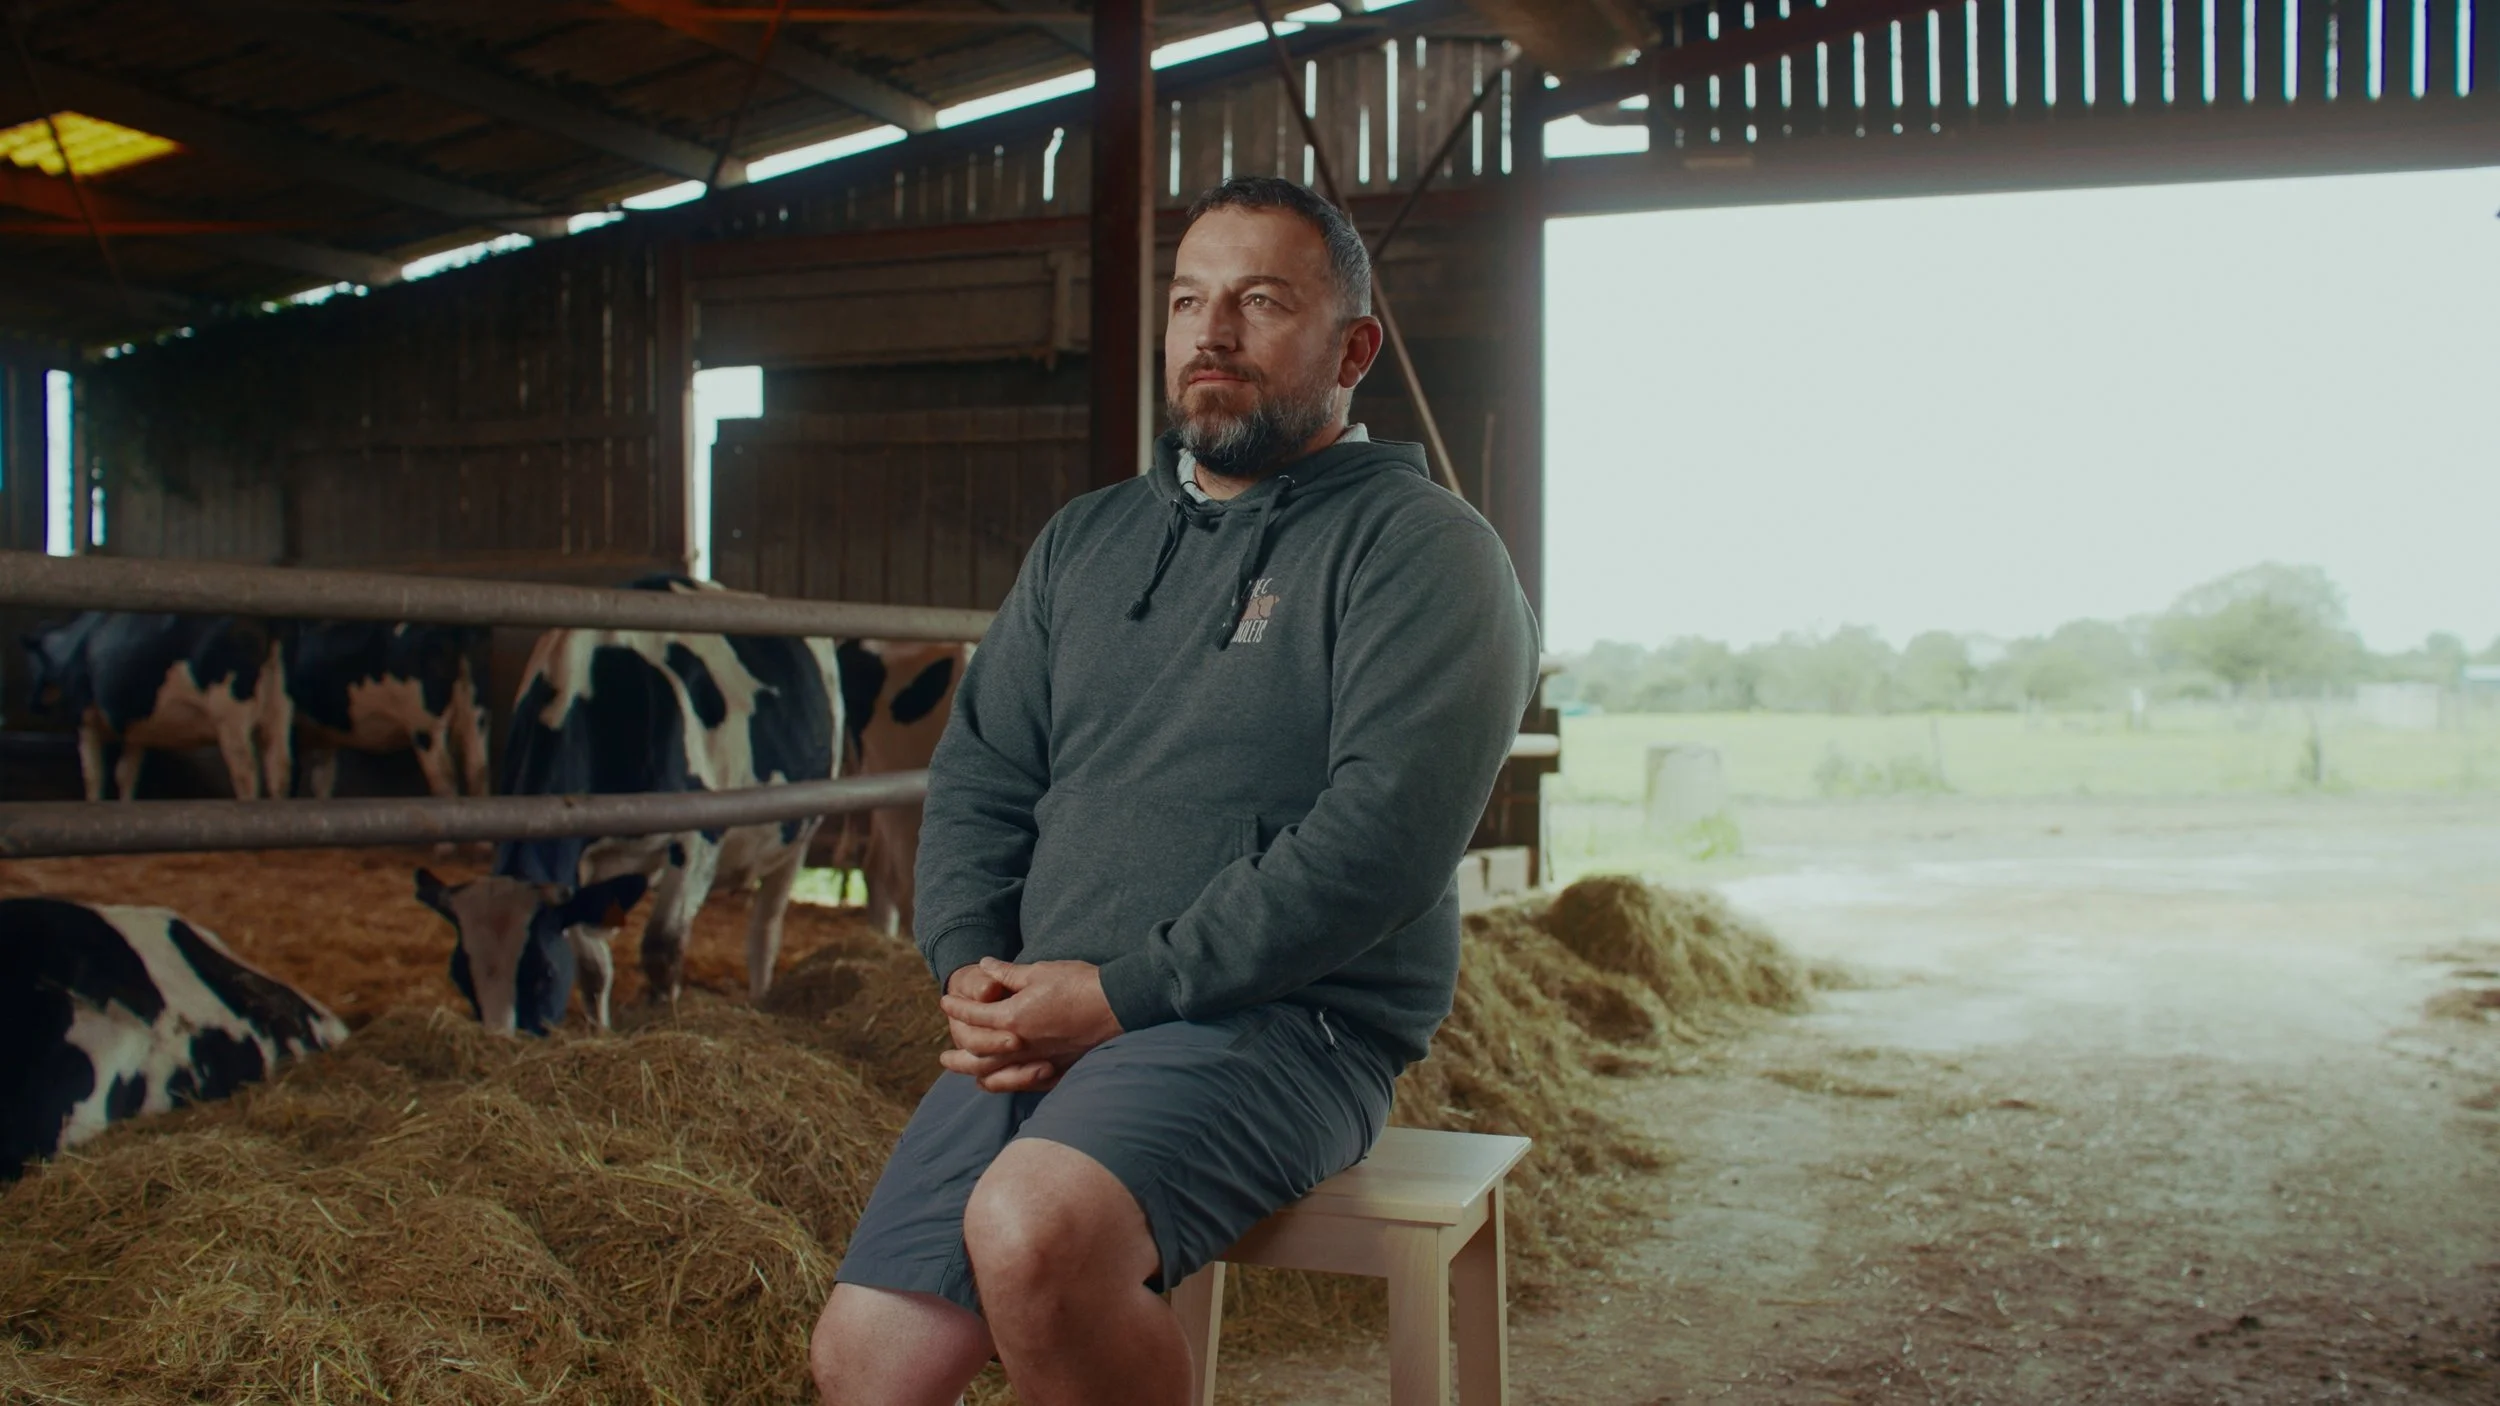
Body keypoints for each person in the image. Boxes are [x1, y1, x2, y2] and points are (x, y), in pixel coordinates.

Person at [809, 174, 1539, 1406]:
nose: (1211, 332)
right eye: (1189, 300)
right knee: (863, 1359)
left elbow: (1381, 839)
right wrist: (970, 966)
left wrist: (1121, 993)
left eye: (1259, 300)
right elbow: (984, 767)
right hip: (1044, 1018)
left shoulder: (1425, 552)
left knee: (1035, 1229)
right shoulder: (1086, 542)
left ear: (1352, 345)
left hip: (1285, 1020)